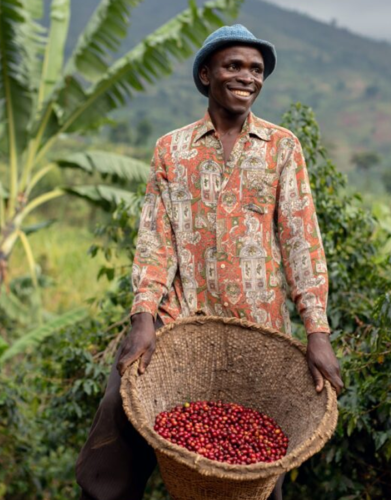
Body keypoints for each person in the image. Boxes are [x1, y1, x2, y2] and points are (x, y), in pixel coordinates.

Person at [76, 24, 344, 500]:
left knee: (257, 451)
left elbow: (302, 242)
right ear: (207, 74)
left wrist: (317, 334)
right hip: (179, 319)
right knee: (121, 405)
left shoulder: (282, 149)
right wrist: (143, 320)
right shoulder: (172, 149)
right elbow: (155, 242)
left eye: (256, 69)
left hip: (255, 328)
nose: (247, 77)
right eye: (234, 66)